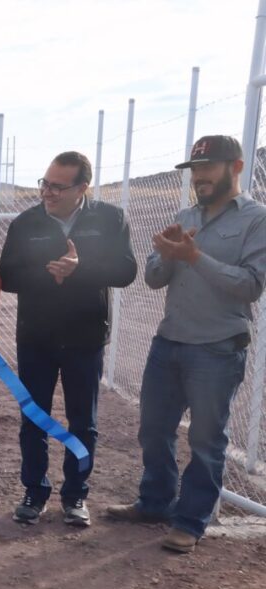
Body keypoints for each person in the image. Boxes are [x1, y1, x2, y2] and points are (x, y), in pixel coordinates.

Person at [107, 135, 266, 554]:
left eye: (207, 167)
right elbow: (153, 279)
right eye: (194, 169)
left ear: (236, 167)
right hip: (169, 342)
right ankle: (155, 502)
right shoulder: (186, 215)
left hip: (217, 348)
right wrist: (167, 254)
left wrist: (195, 257)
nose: (199, 176)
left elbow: (250, 285)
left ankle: (191, 520)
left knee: (206, 440)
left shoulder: (256, 219)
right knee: (153, 430)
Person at [0, 151, 136, 528]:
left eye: (58, 187)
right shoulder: (26, 222)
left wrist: (80, 269)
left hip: (84, 338)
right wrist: (50, 274)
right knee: (34, 418)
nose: (48, 192)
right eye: (45, 184)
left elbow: (125, 270)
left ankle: (75, 495)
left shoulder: (110, 219)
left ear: (82, 188)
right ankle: (34, 492)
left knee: (83, 422)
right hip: (36, 338)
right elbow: (6, 276)